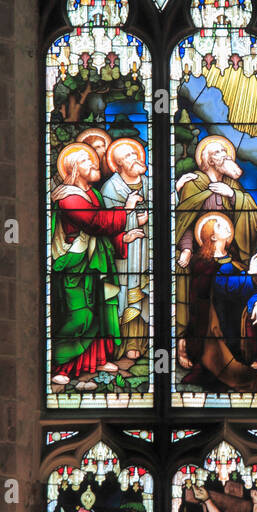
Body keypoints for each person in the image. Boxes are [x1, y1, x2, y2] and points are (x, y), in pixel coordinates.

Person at [50, 144, 146, 391]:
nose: (94, 164)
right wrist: (126, 211)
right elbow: (93, 223)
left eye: (92, 160)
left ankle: (97, 361)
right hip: (76, 265)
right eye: (86, 161)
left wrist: (122, 239)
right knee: (80, 316)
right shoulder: (68, 197)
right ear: (73, 168)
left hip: (97, 263)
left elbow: (101, 234)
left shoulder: (92, 194)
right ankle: (62, 366)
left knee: (102, 312)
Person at [175, 135, 257, 359]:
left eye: (225, 152)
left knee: (235, 303)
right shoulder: (193, 183)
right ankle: (191, 349)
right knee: (199, 305)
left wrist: (233, 195)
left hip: (229, 253)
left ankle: (237, 350)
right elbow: (185, 220)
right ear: (208, 160)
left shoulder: (232, 185)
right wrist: (186, 248)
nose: (224, 156)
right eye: (217, 153)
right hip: (201, 256)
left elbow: (252, 217)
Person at [180, 214, 257, 393]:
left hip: (237, 313)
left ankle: (249, 355)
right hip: (216, 321)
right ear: (213, 236)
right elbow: (224, 288)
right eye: (220, 226)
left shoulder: (232, 257)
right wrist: (251, 273)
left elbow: (249, 288)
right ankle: (239, 359)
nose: (227, 226)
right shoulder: (202, 263)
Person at [101, 138, 149, 360]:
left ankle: (138, 343)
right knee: (125, 295)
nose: (134, 158)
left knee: (144, 293)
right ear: (118, 165)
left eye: (134, 153)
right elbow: (104, 227)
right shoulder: (111, 188)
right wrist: (129, 229)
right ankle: (120, 346)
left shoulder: (150, 184)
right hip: (124, 256)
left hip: (147, 253)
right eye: (127, 157)